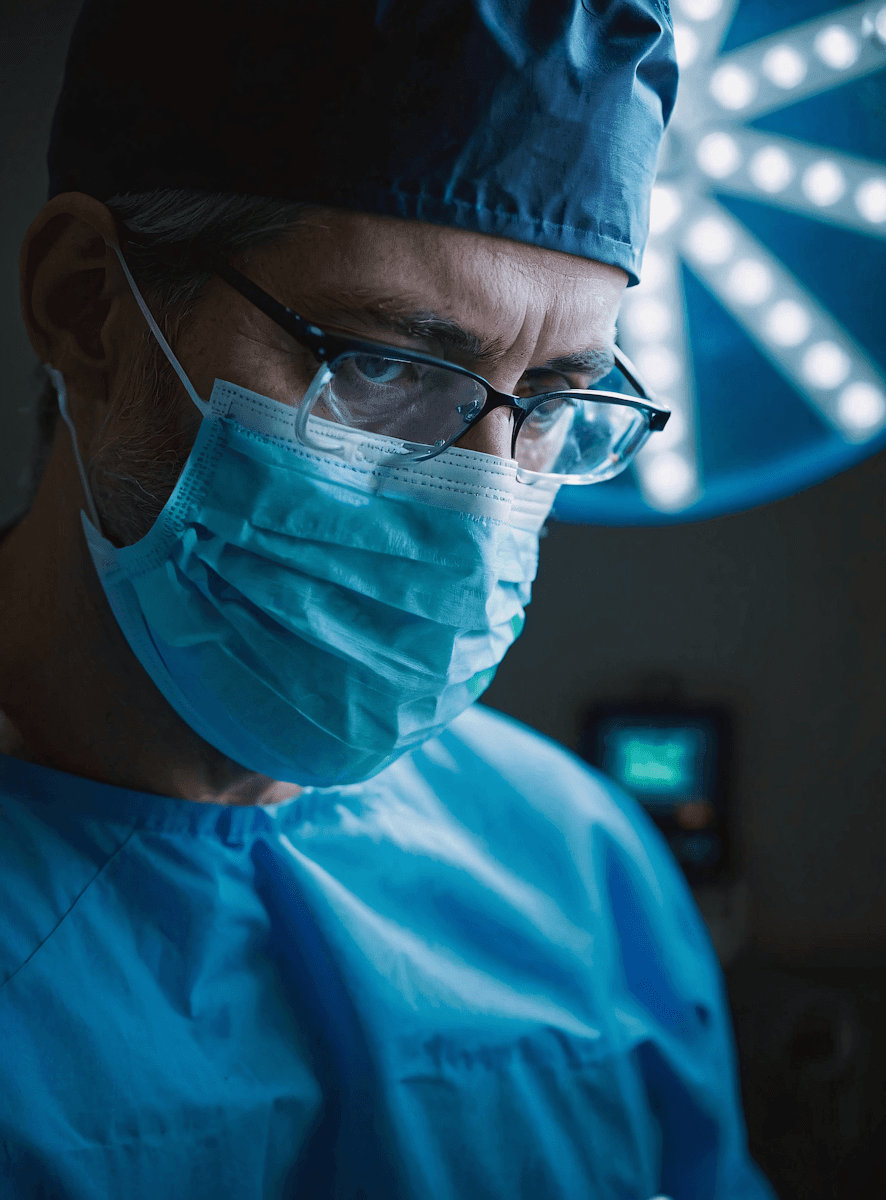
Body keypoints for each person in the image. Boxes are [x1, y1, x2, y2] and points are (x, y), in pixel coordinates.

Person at [0, 0, 775, 1196]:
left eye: (557, 401)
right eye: (383, 367)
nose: (479, 504)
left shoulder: (579, 871)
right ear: (88, 310)